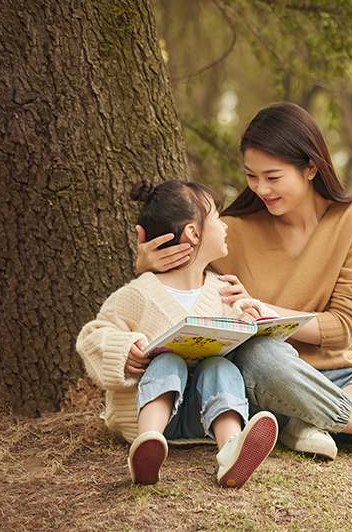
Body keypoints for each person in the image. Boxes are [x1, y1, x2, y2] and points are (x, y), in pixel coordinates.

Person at [137, 102, 352, 471]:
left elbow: (344, 327)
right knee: (259, 353)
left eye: (273, 176)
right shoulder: (230, 230)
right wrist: (146, 268)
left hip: (349, 380)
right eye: (251, 176)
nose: (261, 188)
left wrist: (269, 311)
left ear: (311, 167)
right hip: (266, 383)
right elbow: (179, 294)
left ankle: (310, 420)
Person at [77, 179, 279, 488]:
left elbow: (245, 350)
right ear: (194, 233)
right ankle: (148, 444)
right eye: (217, 217)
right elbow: (92, 337)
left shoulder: (224, 292)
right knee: (168, 361)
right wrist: (124, 350)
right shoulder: (139, 293)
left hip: (203, 417)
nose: (225, 226)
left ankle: (230, 450)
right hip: (148, 416)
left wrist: (254, 320)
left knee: (220, 366)